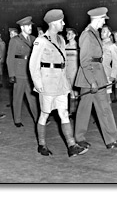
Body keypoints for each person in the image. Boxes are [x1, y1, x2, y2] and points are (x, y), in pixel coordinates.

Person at [29, 9, 88, 157]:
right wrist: (37, 84)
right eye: (61, 21)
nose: (63, 23)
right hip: (47, 83)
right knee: (44, 114)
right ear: (53, 23)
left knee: (64, 113)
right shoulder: (41, 41)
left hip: (61, 83)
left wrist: (67, 82)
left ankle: (71, 145)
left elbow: (65, 64)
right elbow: (33, 64)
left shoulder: (61, 40)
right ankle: (41, 145)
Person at [74, 7, 117, 149]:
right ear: (97, 19)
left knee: (105, 107)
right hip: (88, 76)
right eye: (103, 19)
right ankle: (79, 138)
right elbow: (84, 61)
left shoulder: (95, 33)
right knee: (84, 109)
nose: (104, 22)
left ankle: (112, 139)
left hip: (99, 73)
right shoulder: (86, 34)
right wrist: (92, 81)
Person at [6, 16, 39, 128]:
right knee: (17, 98)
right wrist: (11, 74)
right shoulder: (15, 40)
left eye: (30, 25)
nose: (30, 27)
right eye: (28, 26)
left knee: (33, 99)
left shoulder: (34, 39)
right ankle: (17, 119)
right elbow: (10, 58)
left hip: (30, 74)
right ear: (22, 27)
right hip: (19, 73)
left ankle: (38, 119)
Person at [101, 25, 117, 103]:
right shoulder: (99, 44)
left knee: (106, 96)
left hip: (106, 74)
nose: (102, 33)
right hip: (97, 73)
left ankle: (108, 115)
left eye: (104, 31)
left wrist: (113, 75)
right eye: (101, 31)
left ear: (109, 33)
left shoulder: (112, 46)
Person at [65, 27, 79, 116]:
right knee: (69, 91)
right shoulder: (65, 46)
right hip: (67, 71)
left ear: (74, 35)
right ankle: (71, 111)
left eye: (69, 34)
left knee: (76, 92)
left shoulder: (77, 46)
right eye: (67, 33)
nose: (67, 35)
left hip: (74, 71)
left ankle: (76, 112)